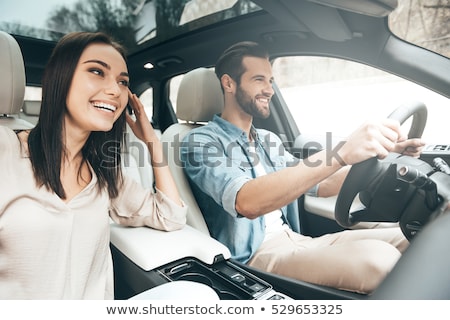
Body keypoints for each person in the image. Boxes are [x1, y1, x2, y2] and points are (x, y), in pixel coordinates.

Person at [180, 41, 426, 294]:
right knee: (382, 260)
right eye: (259, 80)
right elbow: (246, 202)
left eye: (271, 80)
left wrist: (383, 156)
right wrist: (343, 151)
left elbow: (321, 184)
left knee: (417, 238)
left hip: (298, 241)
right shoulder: (201, 142)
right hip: (255, 258)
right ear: (229, 83)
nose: (269, 89)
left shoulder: (268, 140)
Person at [0, 32, 188, 299]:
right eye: (97, 71)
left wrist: (152, 142)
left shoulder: (104, 176)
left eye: (123, 82)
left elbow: (171, 215)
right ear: (60, 79)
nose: (114, 90)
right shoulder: (6, 150)